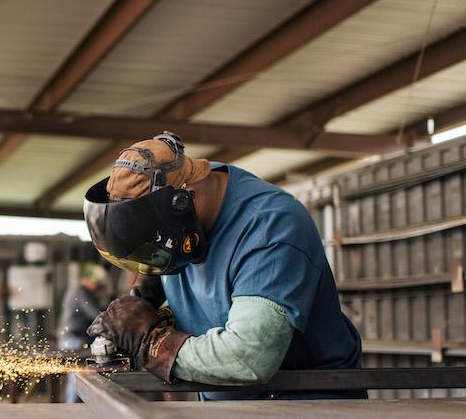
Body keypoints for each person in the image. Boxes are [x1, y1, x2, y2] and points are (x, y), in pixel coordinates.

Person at [83, 131, 362, 400]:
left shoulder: (270, 227)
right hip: (233, 404)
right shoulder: (186, 203)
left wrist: (151, 342)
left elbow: (247, 357)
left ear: (186, 199)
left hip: (309, 409)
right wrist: (148, 290)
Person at [57, 263, 111, 351]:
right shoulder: (80, 293)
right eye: (96, 284)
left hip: (74, 338)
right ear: (90, 280)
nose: (97, 287)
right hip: (73, 339)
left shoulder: (77, 291)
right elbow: (95, 314)